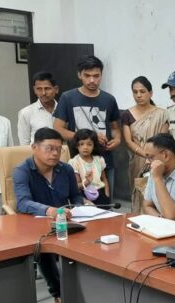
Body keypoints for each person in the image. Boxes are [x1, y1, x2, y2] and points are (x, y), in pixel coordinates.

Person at [13, 128, 84, 303]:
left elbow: (76, 196)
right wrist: (49, 210)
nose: (54, 153)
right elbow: (22, 203)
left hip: (64, 219)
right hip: (35, 224)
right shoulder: (22, 171)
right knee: (42, 248)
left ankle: (85, 291)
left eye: (58, 149)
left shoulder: (66, 169)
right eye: (49, 148)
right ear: (34, 147)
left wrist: (78, 207)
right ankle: (59, 293)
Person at [53, 55, 121, 197]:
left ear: (101, 75)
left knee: (106, 202)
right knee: (80, 203)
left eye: (96, 76)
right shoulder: (68, 97)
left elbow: (115, 128)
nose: (92, 80)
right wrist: (91, 137)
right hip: (78, 164)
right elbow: (58, 129)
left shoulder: (109, 99)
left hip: (104, 161)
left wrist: (117, 140)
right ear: (79, 75)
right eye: (87, 75)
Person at [121, 76, 168, 213]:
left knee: (157, 194)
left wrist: (152, 157)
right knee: (138, 194)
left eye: (142, 91)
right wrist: (145, 155)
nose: (138, 95)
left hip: (157, 161)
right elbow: (128, 141)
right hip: (137, 161)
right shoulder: (127, 114)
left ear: (150, 93)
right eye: (135, 92)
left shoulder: (161, 114)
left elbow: (163, 139)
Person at [68, 129, 110, 204]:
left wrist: (107, 195)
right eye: (82, 144)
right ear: (76, 145)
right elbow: (75, 186)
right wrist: (87, 182)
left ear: (94, 146)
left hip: (101, 193)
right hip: (85, 196)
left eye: (89, 144)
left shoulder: (99, 159)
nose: (85, 147)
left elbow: (104, 179)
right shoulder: (75, 162)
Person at [17, 71, 59, 145]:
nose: (43, 93)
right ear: (34, 90)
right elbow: (24, 144)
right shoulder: (26, 113)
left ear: (56, 89)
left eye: (47, 88)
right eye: (39, 89)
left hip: (61, 152)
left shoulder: (64, 109)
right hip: (36, 152)